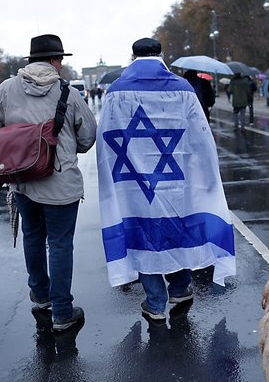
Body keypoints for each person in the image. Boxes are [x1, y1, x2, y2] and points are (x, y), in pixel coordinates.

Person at [96, 38, 235, 322]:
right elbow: (200, 138)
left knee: (142, 235)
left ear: (132, 56)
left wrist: (111, 180)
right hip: (176, 178)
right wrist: (208, 175)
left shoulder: (116, 91)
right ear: (162, 56)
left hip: (132, 181)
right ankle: (181, 288)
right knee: (176, 227)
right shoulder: (182, 89)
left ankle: (156, 302)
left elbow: (106, 139)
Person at [0, 34, 96, 332]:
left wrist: (17, 147)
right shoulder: (67, 92)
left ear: (31, 61)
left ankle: (41, 297)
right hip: (61, 181)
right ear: (56, 61)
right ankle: (62, 312)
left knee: (32, 236)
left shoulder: (6, 89)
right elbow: (88, 136)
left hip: (23, 181)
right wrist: (66, 150)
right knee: (59, 244)